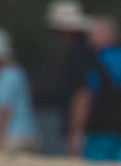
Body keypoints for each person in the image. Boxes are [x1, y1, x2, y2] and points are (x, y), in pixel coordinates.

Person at [67, 16, 121, 164]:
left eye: (91, 35)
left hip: (97, 135)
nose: (88, 40)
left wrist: (75, 132)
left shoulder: (89, 62)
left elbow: (83, 99)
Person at [44, 0, 93, 144]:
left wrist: (75, 129)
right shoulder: (86, 51)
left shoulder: (80, 55)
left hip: (87, 128)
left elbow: (82, 93)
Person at [0, 29, 39, 153]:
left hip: (15, 137)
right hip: (29, 133)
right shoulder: (18, 72)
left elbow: (5, 110)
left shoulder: (7, 76)